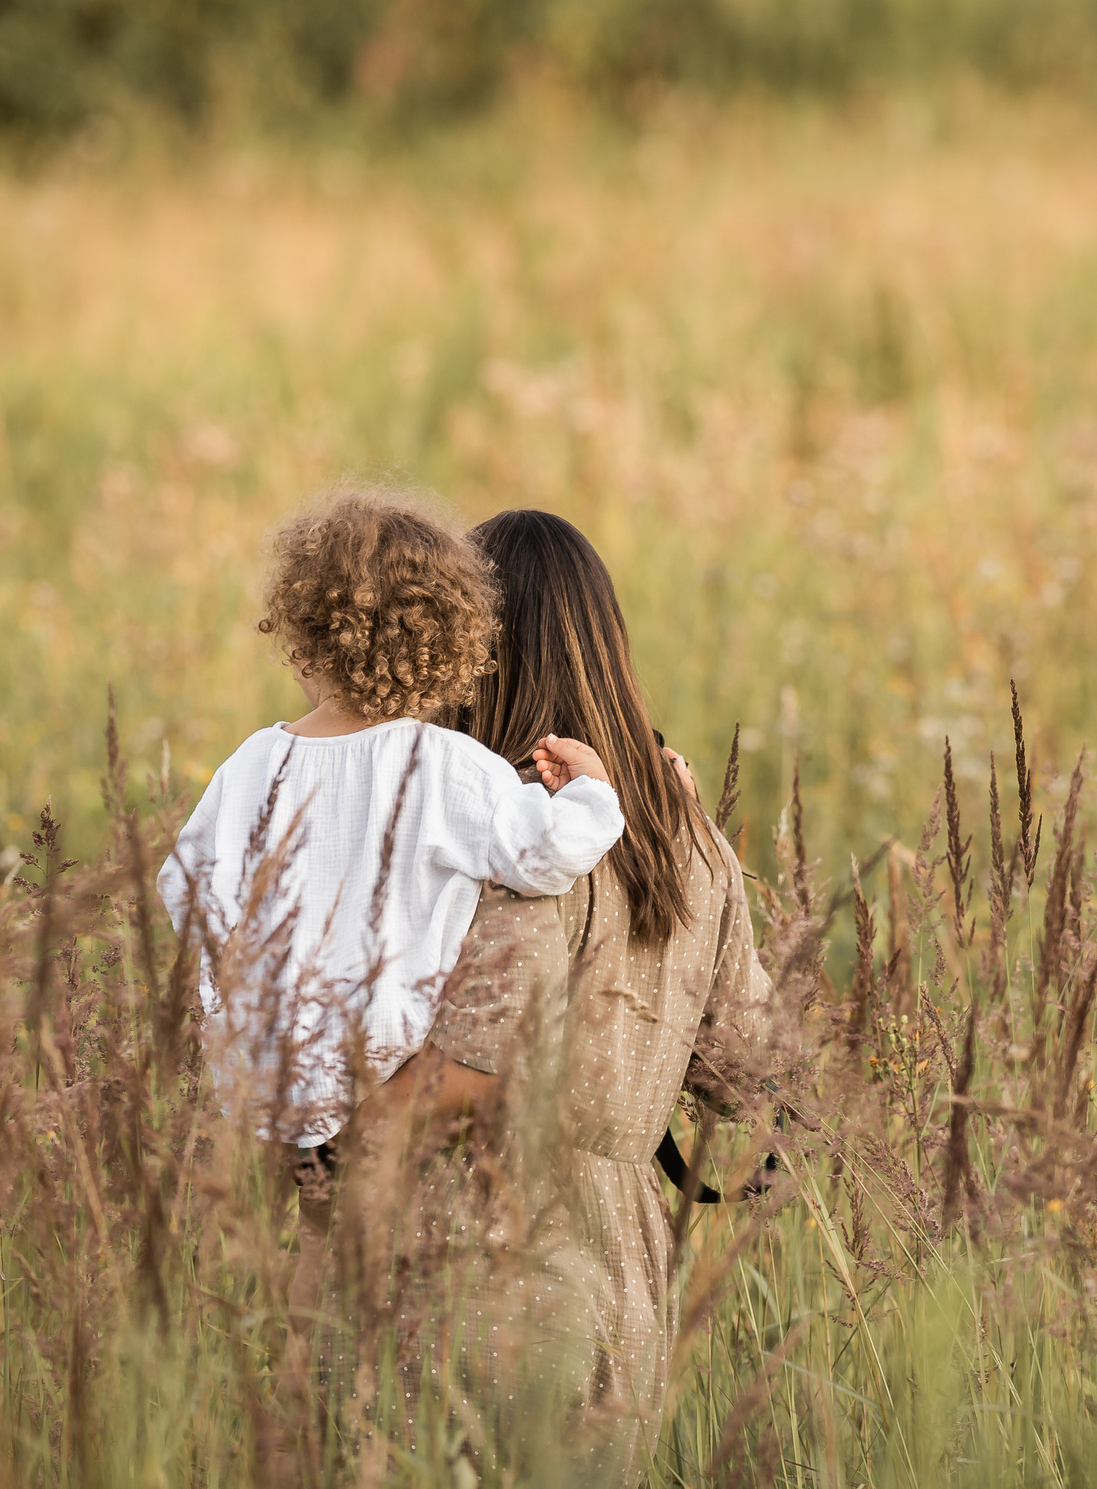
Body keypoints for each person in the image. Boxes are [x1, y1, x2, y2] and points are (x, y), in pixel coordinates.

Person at [343, 508, 784, 1484]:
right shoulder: (686, 833)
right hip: (624, 1287)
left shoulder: (505, 829)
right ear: (609, 648)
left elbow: (470, 1061)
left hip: (480, 1267)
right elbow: (752, 1075)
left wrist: (322, 1143)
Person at [154, 490, 626, 1165]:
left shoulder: (255, 762)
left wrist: (227, 999)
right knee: (348, 1244)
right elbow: (549, 855)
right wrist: (591, 790)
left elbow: (187, 887)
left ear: (302, 634)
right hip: (382, 1059)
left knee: (296, 1251)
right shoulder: (455, 769)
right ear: (452, 648)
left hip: (259, 1070)